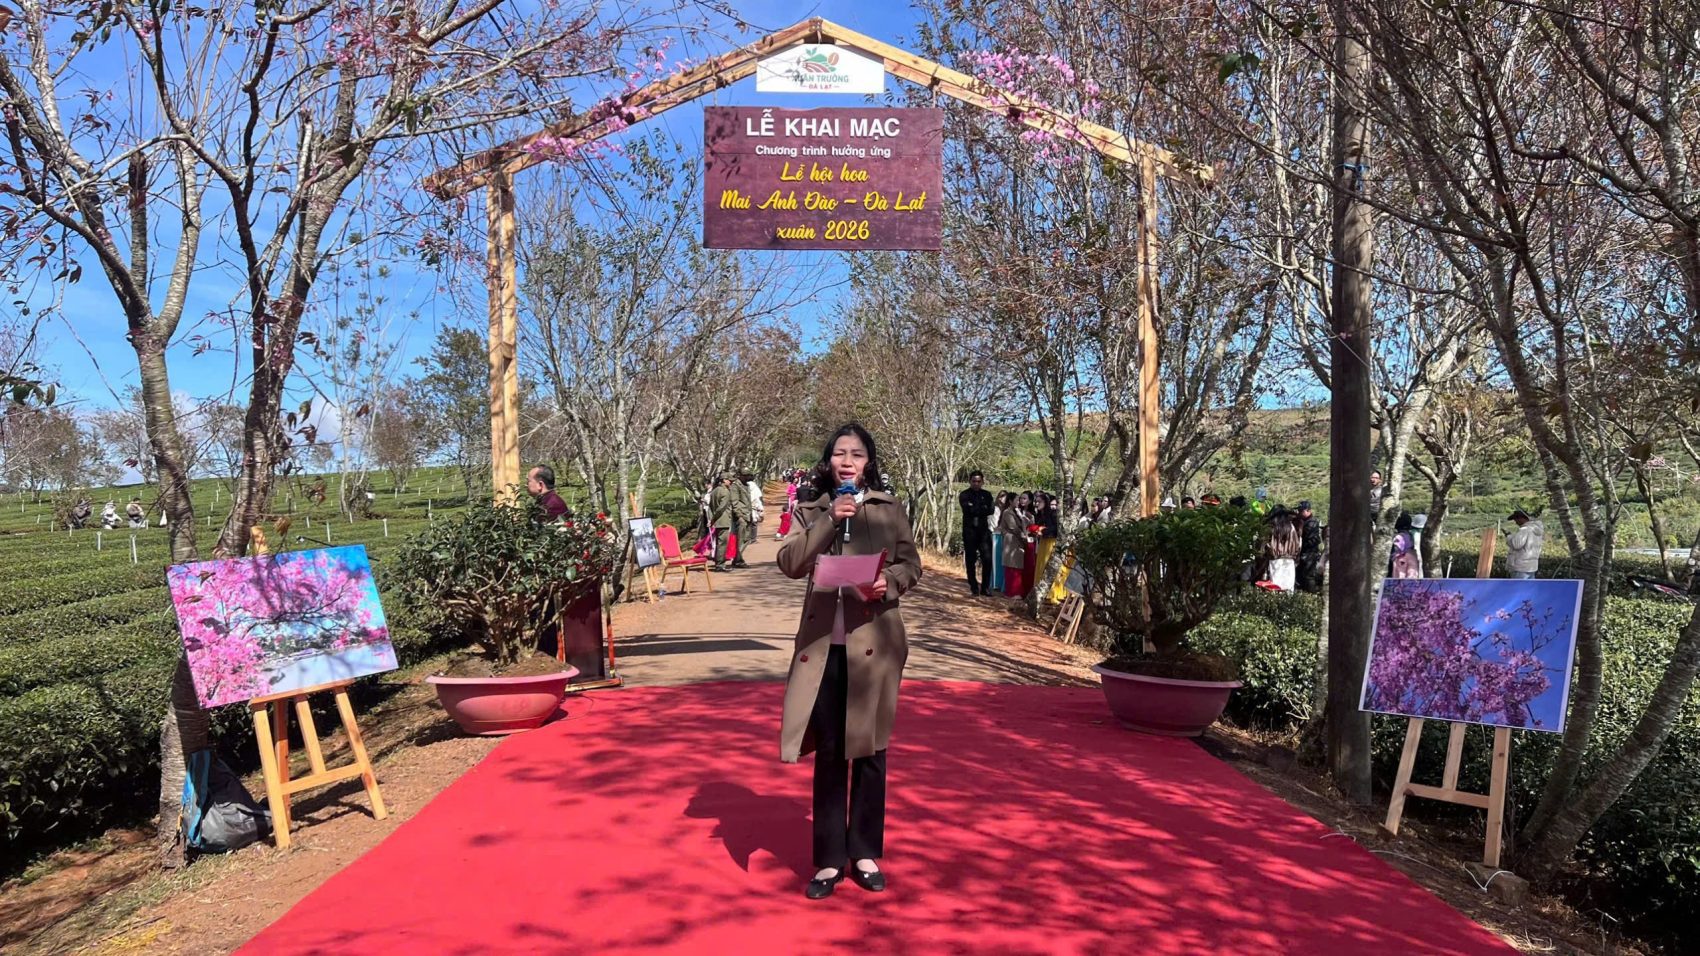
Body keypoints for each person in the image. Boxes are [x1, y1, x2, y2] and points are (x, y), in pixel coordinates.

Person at [776, 424, 921, 900]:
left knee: (871, 749)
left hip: (876, 645)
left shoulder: (889, 508)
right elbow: (790, 563)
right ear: (828, 462)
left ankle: (864, 852)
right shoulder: (810, 509)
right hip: (824, 648)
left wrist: (888, 583)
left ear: (868, 463)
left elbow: (911, 564)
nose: (847, 461)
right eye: (839, 453)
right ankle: (829, 859)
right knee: (832, 750)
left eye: (857, 454)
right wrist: (828, 520)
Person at [958, 471, 995, 596]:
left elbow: (991, 509)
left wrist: (975, 507)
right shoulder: (964, 494)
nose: (976, 483)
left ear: (982, 482)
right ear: (970, 481)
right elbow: (968, 510)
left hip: (984, 532)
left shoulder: (987, 494)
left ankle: (985, 587)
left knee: (987, 559)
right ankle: (973, 586)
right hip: (969, 532)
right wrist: (981, 508)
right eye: (974, 481)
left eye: (979, 481)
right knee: (970, 560)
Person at [1000, 492, 1033, 598]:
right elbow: (1013, 527)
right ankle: (1013, 592)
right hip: (1012, 541)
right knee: (1012, 566)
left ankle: (1016, 591)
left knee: (1017, 566)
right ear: (1010, 501)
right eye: (1017, 500)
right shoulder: (1008, 512)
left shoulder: (1017, 512)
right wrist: (1024, 536)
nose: (1019, 502)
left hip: (1017, 542)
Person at [1265, 506, 1302, 592]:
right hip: (1290, 561)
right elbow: (1298, 544)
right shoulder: (1291, 527)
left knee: (1275, 587)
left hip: (1275, 560)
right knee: (1288, 588)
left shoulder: (1271, 528)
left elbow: (1265, 545)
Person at [1505, 508, 1544, 579]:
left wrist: (1508, 536)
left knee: (1518, 586)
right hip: (1532, 566)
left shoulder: (1525, 530)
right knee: (1529, 586)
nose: (1515, 522)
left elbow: (1516, 544)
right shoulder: (1536, 529)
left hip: (1520, 567)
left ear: (1521, 518)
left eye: (1516, 519)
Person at [1297, 501, 1324, 593]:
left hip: (1309, 554)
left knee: (1308, 576)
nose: (1299, 513)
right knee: (1301, 576)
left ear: (1308, 510)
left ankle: (1311, 596)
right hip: (1305, 553)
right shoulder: (1304, 521)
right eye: (1299, 511)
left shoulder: (1312, 522)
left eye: (1301, 511)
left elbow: (1309, 539)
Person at [709, 475, 735, 570]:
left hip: (716, 520)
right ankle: (720, 564)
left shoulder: (714, 491)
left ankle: (718, 562)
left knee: (719, 542)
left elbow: (710, 507)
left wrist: (711, 519)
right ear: (724, 480)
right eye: (729, 480)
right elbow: (721, 508)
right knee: (722, 543)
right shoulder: (725, 491)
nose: (731, 482)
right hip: (723, 520)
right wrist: (713, 518)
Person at [731, 472, 755, 569]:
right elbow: (734, 502)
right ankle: (738, 560)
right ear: (741, 476)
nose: (748, 477)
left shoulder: (747, 485)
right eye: (746, 476)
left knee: (747, 538)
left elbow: (748, 502)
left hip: (747, 514)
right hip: (741, 516)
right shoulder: (735, 486)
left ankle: (737, 558)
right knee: (740, 539)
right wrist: (739, 516)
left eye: (749, 475)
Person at [1390, 512, 1423, 579]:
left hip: (1401, 564)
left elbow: (1395, 552)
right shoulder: (1410, 535)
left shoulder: (1398, 537)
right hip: (1412, 562)